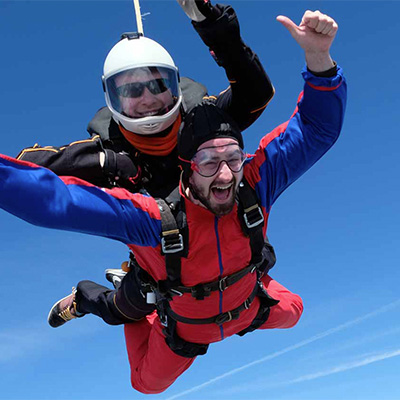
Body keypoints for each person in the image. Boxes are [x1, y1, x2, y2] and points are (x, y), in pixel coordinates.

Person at [0, 10, 347, 394]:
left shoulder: (253, 182)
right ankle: (86, 298)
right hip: (173, 292)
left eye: (233, 159)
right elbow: (55, 199)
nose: (225, 175)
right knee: (136, 348)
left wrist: (320, 59)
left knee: (294, 309)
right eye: (208, 162)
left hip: (243, 300)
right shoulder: (148, 216)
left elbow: (312, 128)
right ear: (187, 165)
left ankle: (233, 284)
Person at [15, 0, 275, 318]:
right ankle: (84, 299)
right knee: (128, 309)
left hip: (219, 231)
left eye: (158, 84)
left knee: (259, 262)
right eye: (132, 90)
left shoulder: (203, 121)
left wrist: (213, 24)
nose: (148, 99)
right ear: (112, 98)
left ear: (175, 85)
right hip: (161, 248)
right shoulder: (112, 149)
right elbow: (24, 170)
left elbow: (255, 94)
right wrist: (107, 164)